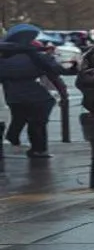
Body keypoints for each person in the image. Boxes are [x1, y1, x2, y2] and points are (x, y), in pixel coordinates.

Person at [0, 24, 70, 158]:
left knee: (20, 118)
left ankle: (13, 139)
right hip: (37, 96)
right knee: (38, 123)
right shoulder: (35, 56)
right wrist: (63, 94)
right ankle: (38, 149)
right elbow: (54, 73)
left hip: (13, 96)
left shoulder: (4, 58)